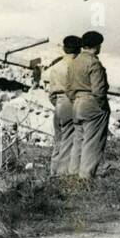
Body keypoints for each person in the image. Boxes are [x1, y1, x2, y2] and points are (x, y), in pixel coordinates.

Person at [64, 30, 110, 179]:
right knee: (92, 142)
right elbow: (99, 90)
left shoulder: (74, 62)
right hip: (91, 103)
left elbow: (69, 88)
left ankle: (73, 174)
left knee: (78, 140)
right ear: (96, 46)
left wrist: (76, 99)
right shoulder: (94, 63)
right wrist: (102, 106)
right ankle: (86, 177)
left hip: (76, 103)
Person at [43, 35, 81, 176]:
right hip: (72, 103)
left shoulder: (56, 67)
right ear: (79, 49)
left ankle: (53, 171)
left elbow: (51, 94)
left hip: (58, 103)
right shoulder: (78, 67)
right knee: (69, 140)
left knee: (58, 140)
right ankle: (62, 174)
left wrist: (58, 103)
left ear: (64, 48)